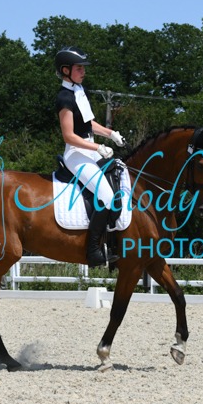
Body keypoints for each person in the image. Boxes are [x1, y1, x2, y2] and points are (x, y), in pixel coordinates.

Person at [54, 46, 126, 267]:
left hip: (90, 150)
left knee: (119, 173)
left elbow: (88, 124)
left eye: (83, 68)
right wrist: (98, 148)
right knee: (105, 196)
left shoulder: (79, 91)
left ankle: (113, 239)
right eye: (79, 68)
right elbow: (69, 136)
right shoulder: (64, 97)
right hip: (76, 154)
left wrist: (110, 134)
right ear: (65, 70)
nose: (83, 72)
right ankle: (93, 250)